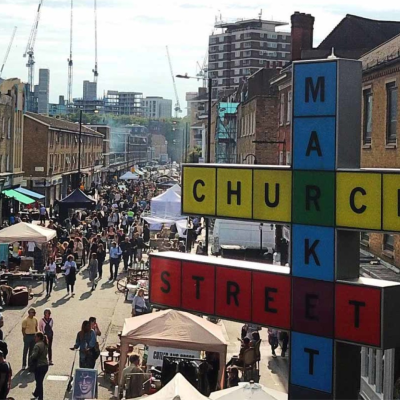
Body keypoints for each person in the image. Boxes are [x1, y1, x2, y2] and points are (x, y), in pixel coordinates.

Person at [30, 332, 49, 400]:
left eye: (35, 337)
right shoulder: (44, 344)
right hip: (45, 365)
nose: (34, 338)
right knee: (39, 381)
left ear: (39, 337)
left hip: (39, 366)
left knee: (39, 382)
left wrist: (31, 357)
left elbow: (34, 355)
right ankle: (36, 394)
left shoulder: (37, 345)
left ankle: (40, 397)